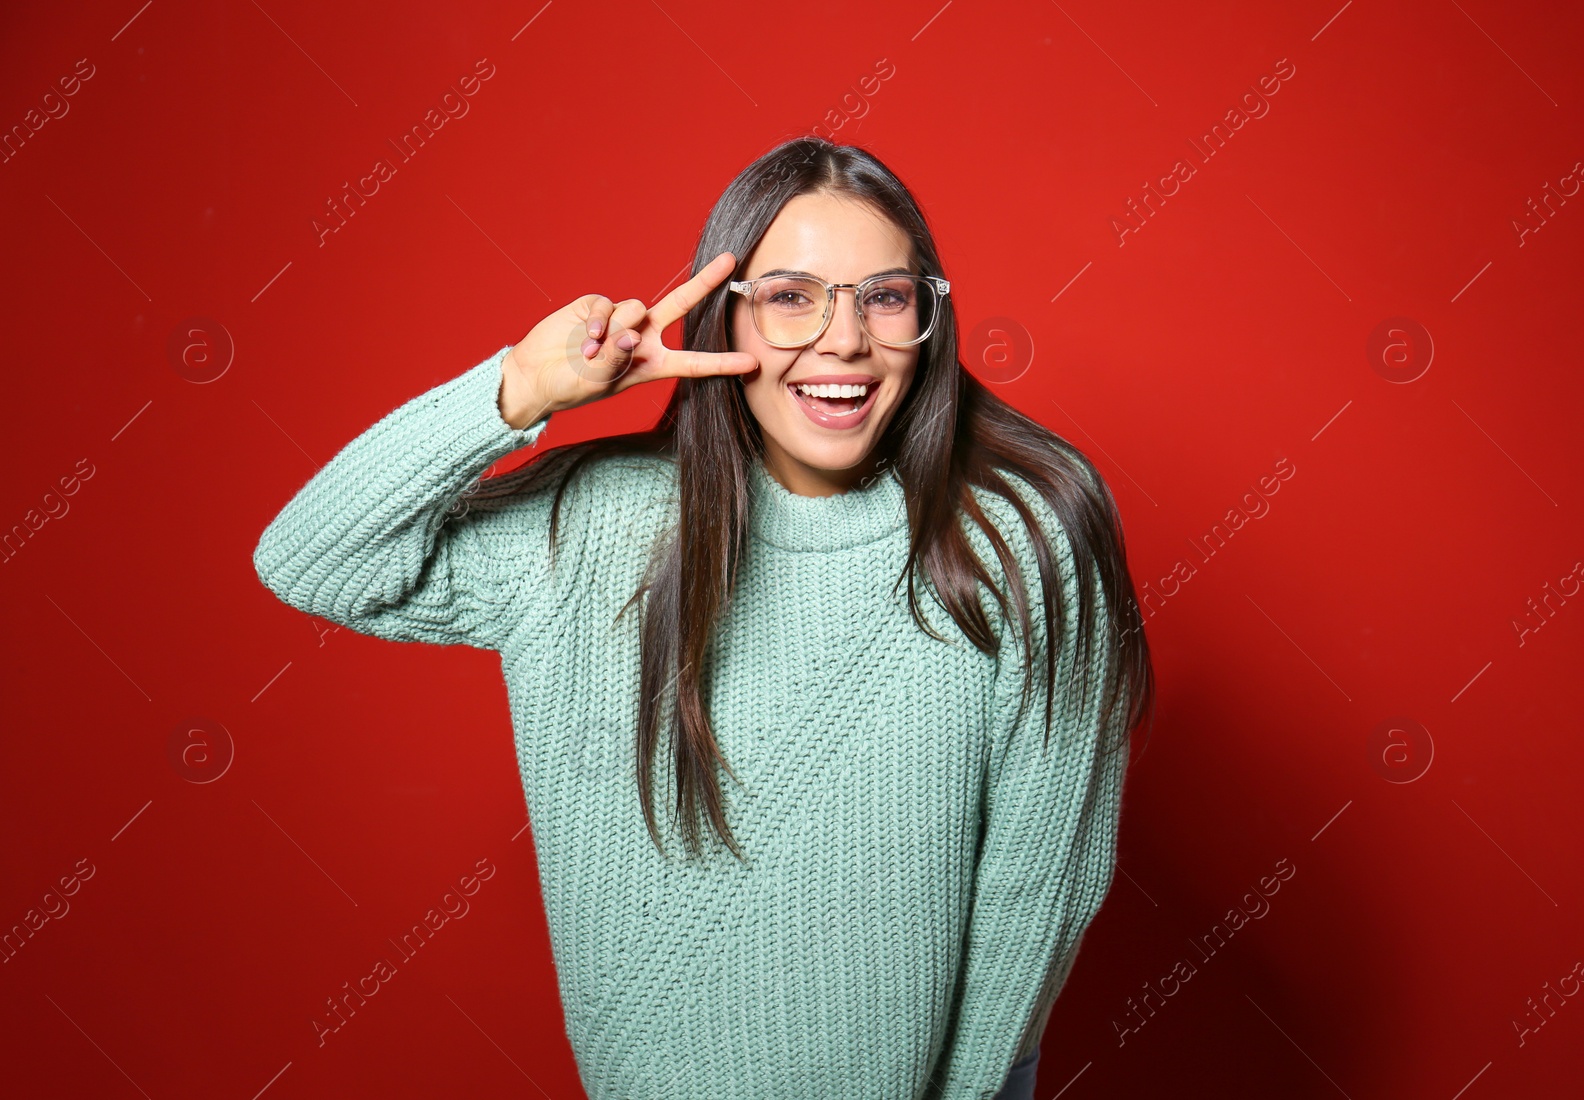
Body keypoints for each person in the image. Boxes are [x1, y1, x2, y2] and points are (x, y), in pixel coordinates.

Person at [253, 136, 1153, 1100]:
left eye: (884, 297)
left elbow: (1038, 893)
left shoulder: (1019, 538)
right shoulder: (595, 528)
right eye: (791, 296)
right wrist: (519, 388)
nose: (843, 340)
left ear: (926, 317)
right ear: (727, 318)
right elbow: (314, 560)